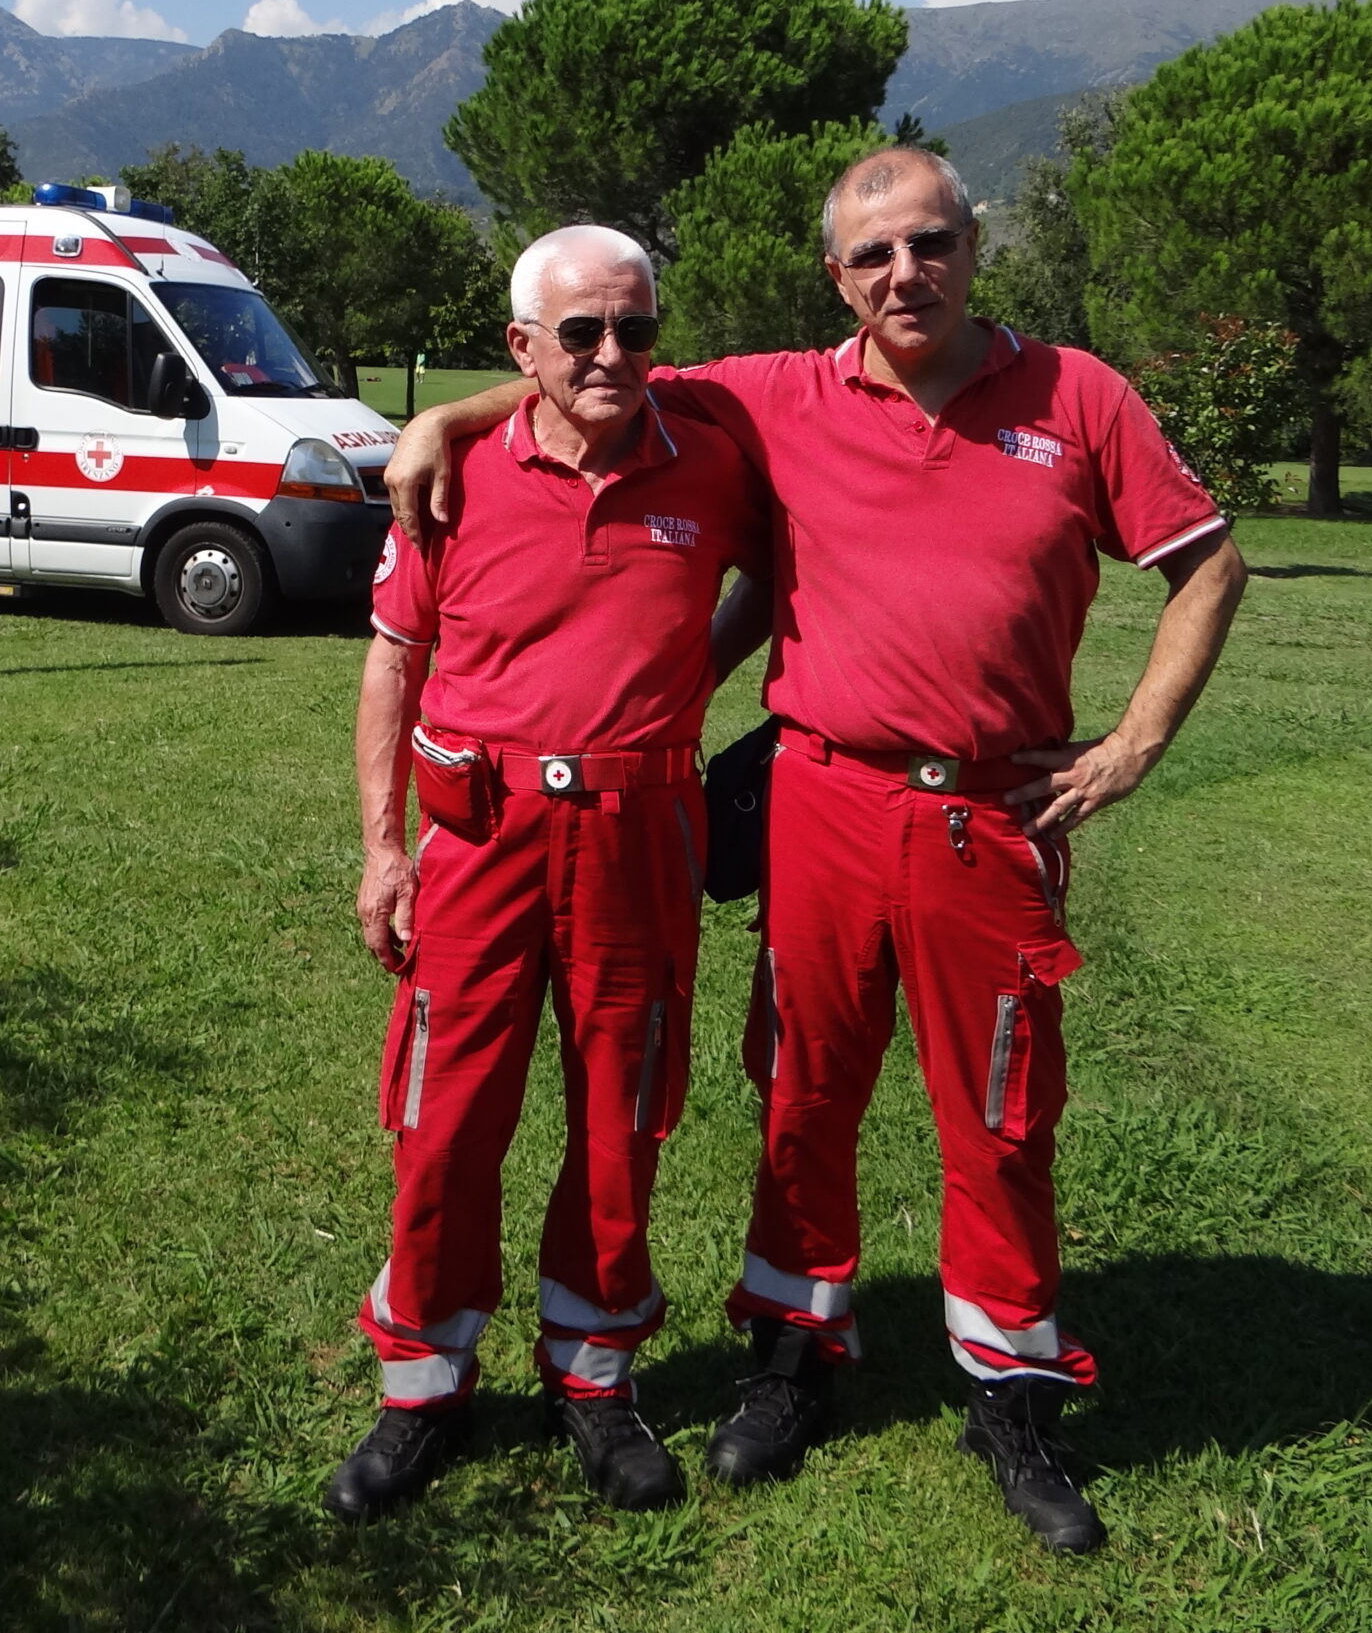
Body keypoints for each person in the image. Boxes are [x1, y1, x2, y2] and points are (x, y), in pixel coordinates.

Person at [383, 147, 1246, 1554]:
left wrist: (1131, 747)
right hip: (823, 800)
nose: (906, 275)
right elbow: (596, 374)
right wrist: (451, 418)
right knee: (800, 1091)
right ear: (838, 280)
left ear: (974, 245)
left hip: (991, 813)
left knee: (1003, 1113)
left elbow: (1208, 565)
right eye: (874, 257)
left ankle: (1012, 1398)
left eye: (931, 244)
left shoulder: (1079, 396)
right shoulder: (782, 395)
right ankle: (791, 1360)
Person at [329, 225, 770, 1522]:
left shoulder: (714, 457)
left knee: (623, 1111)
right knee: (445, 1115)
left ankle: (596, 1380)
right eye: (580, 332)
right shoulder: (454, 474)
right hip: (481, 846)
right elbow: (392, 661)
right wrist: (381, 845)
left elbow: (779, 577)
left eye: (635, 328)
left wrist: (691, 671)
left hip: (639, 839)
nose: (612, 354)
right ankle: (422, 1388)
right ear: (521, 348)